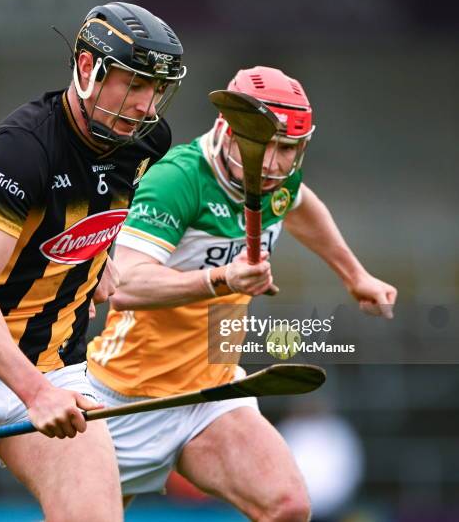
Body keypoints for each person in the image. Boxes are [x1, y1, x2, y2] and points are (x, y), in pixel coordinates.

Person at [0, 1, 186, 521]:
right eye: (134, 84)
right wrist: (35, 394)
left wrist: (98, 260)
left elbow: (101, 203)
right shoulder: (22, 149)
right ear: (88, 70)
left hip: (56, 365)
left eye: (157, 89)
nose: (146, 105)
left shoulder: (147, 143)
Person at [88, 66, 397, 521]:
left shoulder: (277, 179)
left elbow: (300, 205)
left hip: (210, 391)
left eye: (288, 149)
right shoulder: (177, 179)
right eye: (265, 146)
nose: (274, 163)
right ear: (227, 131)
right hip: (125, 395)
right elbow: (125, 286)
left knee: (287, 505)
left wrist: (354, 275)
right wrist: (222, 280)